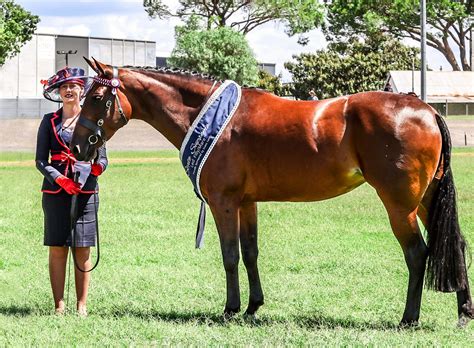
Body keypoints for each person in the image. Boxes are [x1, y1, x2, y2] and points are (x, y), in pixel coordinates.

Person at [36, 67, 108, 316]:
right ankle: (59, 306)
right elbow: (40, 161)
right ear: (59, 91)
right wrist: (60, 180)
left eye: (74, 86)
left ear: (82, 90)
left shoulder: (93, 121)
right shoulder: (49, 122)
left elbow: (104, 160)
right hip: (55, 194)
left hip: (86, 193)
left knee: (83, 247)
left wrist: (94, 170)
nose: (69, 90)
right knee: (57, 247)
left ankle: (81, 305)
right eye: (64, 86)